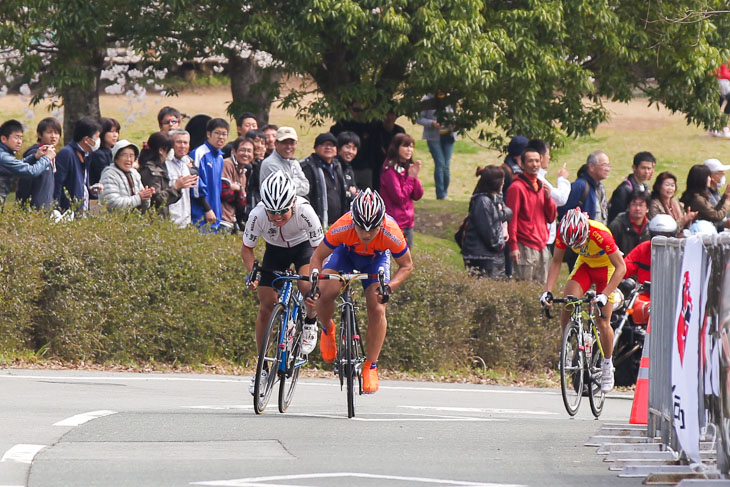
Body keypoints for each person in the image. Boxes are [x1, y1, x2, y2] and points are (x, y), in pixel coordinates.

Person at [308, 189, 414, 394]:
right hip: (345, 255)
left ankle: (370, 366)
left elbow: (407, 266)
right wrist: (315, 277)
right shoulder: (342, 226)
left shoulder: (391, 231)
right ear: (353, 220)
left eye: (372, 229)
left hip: (375, 261)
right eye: (360, 228)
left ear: (381, 223)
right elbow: (317, 257)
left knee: (377, 308)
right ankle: (327, 328)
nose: (366, 234)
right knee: (325, 292)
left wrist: (389, 287)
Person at [241, 171, 323, 395]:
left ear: (293, 203)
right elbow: (247, 249)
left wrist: (315, 281)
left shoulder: (305, 211)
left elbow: (320, 251)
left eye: (282, 212)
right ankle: (263, 367)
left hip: (304, 249)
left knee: (307, 288)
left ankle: (309, 321)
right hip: (274, 252)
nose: (277, 217)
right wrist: (253, 274)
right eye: (272, 212)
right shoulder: (258, 214)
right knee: (266, 306)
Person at [541, 208, 627, 393]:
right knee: (568, 303)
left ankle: (607, 365)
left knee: (602, 321)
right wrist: (547, 291)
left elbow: (621, 267)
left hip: (607, 268)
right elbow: (556, 261)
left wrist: (605, 294)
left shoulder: (600, 233)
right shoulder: (564, 232)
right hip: (585, 265)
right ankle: (568, 349)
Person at [505, 147, 557, 283]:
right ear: (522, 164)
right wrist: (513, 246)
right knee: (524, 286)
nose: (534, 164)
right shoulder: (516, 188)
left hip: (542, 244)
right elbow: (512, 218)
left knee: (542, 289)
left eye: (537, 161)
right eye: (530, 161)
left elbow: (551, 218)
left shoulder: (541, 186)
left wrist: (548, 198)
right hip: (525, 245)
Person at [558, 150, 611, 270]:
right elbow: (564, 213)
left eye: (609, 165)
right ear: (591, 167)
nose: (607, 169)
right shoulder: (580, 186)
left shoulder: (600, 187)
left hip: (597, 244)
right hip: (580, 246)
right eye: (604, 165)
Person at [461, 165, 512, 278]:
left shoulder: (496, 197)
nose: (504, 183)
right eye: (502, 181)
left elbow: (507, 212)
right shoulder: (483, 202)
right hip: (482, 257)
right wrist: (500, 244)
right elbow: (488, 232)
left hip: (492, 256)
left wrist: (502, 220)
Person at [379, 133, 424, 248]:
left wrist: (414, 177)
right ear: (396, 148)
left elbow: (418, 195)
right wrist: (411, 178)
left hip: (408, 222)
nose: (409, 150)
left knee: (407, 261)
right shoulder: (390, 171)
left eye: (411, 146)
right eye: (405, 146)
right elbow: (399, 198)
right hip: (394, 222)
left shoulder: (407, 168)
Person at [139, 132, 197, 219]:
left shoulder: (159, 168)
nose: (171, 152)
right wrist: (175, 187)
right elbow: (157, 200)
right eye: (169, 149)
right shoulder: (151, 171)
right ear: (161, 150)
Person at [0, 119, 55, 205]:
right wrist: (47, 158)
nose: (19, 142)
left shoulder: (4, 155)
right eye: (16, 137)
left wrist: (35, 156)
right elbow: (31, 171)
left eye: (21, 138)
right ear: (3, 139)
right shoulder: (3, 157)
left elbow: (18, 164)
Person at [301, 132, 349, 228]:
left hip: (337, 223)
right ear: (315, 148)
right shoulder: (308, 167)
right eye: (324, 144)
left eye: (332, 145)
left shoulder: (337, 165)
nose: (328, 148)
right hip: (318, 224)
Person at [54, 117, 102, 212]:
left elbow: (82, 182)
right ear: (86, 140)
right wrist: (56, 209)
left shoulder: (87, 154)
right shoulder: (67, 153)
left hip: (82, 209)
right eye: (96, 137)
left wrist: (90, 189)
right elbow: (58, 183)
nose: (99, 140)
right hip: (68, 211)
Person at [530, 139, 570, 251]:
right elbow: (561, 198)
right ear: (541, 157)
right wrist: (562, 179)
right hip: (540, 237)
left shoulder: (539, 178)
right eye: (548, 154)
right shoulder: (538, 179)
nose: (549, 158)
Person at [190, 118, 229, 231]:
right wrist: (207, 209)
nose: (221, 137)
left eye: (224, 134)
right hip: (200, 213)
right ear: (208, 134)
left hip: (215, 213)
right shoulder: (199, 154)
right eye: (217, 133)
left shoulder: (220, 157)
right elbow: (195, 184)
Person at [416, 93, 456, 200]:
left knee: (446, 166)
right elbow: (418, 118)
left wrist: (455, 121)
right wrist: (432, 123)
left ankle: (444, 192)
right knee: (440, 164)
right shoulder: (428, 98)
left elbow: (456, 114)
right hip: (433, 137)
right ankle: (441, 194)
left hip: (449, 136)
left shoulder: (450, 97)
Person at [16, 117, 61, 210]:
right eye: (49, 132)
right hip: (35, 211)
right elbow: (24, 183)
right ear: (39, 135)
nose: (54, 136)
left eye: (56, 133)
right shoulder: (34, 154)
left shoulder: (51, 154)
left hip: (47, 209)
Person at [99, 140, 154, 211]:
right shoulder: (109, 174)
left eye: (131, 156)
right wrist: (139, 198)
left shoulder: (134, 174)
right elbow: (112, 203)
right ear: (116, 158)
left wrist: (146, 197)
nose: (128, 159)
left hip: (133, 220)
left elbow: (143, 208)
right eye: (124, 155)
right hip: (114, 221)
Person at [624, 214, 678, 285]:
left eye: (666, 235)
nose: (660, 240)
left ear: (673, 235)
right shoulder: (643, 248)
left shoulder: (680, 253)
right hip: (644, 293)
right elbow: (624, 268)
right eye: (656, 235)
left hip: (672, 293)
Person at [259, 126, 309, 197]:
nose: (289, 146)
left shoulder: (294, 162)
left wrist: (289, 183)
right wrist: (296, 182)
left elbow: (306, 187)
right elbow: (282, 190)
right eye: (284, 143)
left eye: (292, 143)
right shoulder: (270, 163)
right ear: (276, 144)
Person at [607, 151, 655, 223]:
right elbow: (616, 217)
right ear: (634, 168)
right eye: (643, 168)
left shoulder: (645, 188)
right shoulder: (624, 189)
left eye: (649, 168)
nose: (646, 172)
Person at [679, 164, 730, 230]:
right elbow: (716, 216)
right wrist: (727, 203)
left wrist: (725, 195)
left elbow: (713, 210)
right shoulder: (697, 199)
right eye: (708, 176)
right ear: (701, 179)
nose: (710, 179)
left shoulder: (698, 196)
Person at [166, 130, 196, 227]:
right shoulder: (164, 164)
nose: (182, 146)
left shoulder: (185, 165)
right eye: (178, 142)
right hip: (169, 222)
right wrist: (176, 187)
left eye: (185, 143)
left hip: (185, 221)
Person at [221, 137, 251, 232]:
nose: (246, 154)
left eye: (249, 151)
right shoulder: (227, 164)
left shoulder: (243, 172)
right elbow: (225, 194)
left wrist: (238, 189)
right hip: (221, 220)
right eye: (242, 150)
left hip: (231, 221)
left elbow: (241, 203)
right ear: (234, 151)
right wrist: (239, 191)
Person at [608, 190, 651, 255]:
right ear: (628, 206)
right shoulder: (617, 225)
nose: (637, 208)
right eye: (634, 204)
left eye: (641, 205)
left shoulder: (650, 228)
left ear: (647, 208)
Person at [88, 117, 121, 187]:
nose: (115, 135)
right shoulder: (98, 154)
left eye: (117, 131)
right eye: (111, 131)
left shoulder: (115, 151)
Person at [704, 158, 730, 231]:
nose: (723, 175)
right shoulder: (706, 195)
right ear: (711, 176)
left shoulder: (716, 191)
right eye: (720, 173)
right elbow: (716, 216)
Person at [335, 131, 359, 204]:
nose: (350, 152)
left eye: (354, 149)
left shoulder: (348, 168)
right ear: (339, 148)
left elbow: (355, 189)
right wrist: (351, 194)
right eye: (347, 147)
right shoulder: (333, 166)